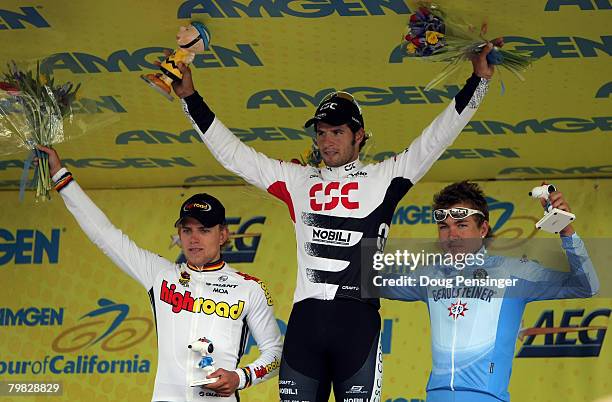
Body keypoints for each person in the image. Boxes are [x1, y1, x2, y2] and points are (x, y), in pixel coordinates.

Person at [171, 40, 503, 401]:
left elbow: (436, 138)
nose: (327, 142)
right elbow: (234, 155)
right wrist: (190, 98)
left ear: (358, 135)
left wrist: (478, 81)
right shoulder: (297, 181)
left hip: (356, 324)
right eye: (322, 132)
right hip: (306, 325)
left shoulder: (385, 177)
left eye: (338, 132)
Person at [36, 145, 283, 402]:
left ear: (223, 234)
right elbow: (105, 234)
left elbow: (275, 354)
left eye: (204, 230)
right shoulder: (162, 274)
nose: (194, 238)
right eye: (187, 230)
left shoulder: (249, 288)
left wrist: (240, 377)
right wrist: (59, 176)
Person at [380, 181, 599, 402]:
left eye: (461, 225)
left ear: (483, 229)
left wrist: (566, 230)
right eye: (444, 227)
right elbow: (369, 283)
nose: (451, 235)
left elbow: (586, 286)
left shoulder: (513, 272)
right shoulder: (429, 275)